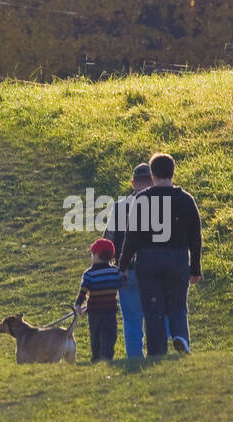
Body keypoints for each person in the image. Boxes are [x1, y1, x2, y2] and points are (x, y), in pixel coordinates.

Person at [116, 152, 202, 356]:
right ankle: (180, 336)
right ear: (173, 172)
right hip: (177, 257)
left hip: (149, 259)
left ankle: (157, 353)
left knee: (153, 309)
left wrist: (123, 266)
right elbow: (195, 236)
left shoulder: (142, 199)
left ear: (152, 174)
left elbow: (131, 237)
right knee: (177, 303)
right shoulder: (185, 199)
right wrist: (195, 268)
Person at [104, 162, 168, 358]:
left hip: (126, 272)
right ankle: (157, 356)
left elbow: (108, 241)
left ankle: (134, 359)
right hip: (153, 271)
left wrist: (106, 271)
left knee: (132, 321)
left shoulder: (119, 207)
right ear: (153, 182)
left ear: (132, 183)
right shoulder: (161, 206)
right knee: (155, 316)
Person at [75, 237, 120, 361]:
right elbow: (122, 283)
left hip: (94, 312)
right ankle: (106, 356)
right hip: (110, 311)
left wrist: (78, 304)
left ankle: (96, 357)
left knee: (95, 335)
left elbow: (83, 291)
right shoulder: (115, 272)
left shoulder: (89, 274)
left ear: (96, 255)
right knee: (109, 335)